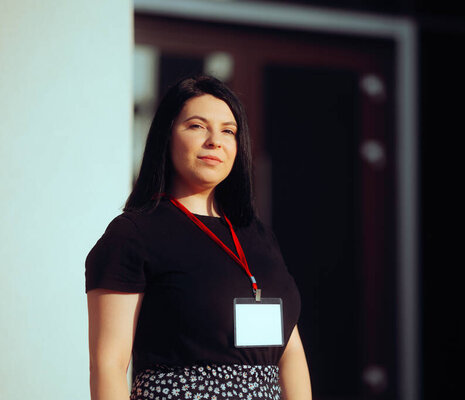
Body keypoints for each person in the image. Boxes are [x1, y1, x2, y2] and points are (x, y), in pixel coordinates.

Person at [86, 75, 311, 400]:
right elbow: (108, 364)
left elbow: (290, 354)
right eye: (196, 126)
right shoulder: (133, 234)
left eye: (228, 131)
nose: (215, 141)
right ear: (167, 136)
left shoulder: (258, 235)